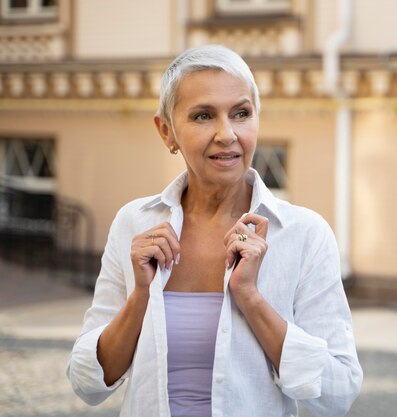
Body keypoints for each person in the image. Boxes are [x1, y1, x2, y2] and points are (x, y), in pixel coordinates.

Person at [66, 45, 363, 417]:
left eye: (241, 113)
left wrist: (251, 299)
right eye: (203, 116)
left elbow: (339, 392)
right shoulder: (134, 224)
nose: (227, 134)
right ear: (166, 131)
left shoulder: (304, 234)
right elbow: (88, 383)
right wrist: (141, 296)